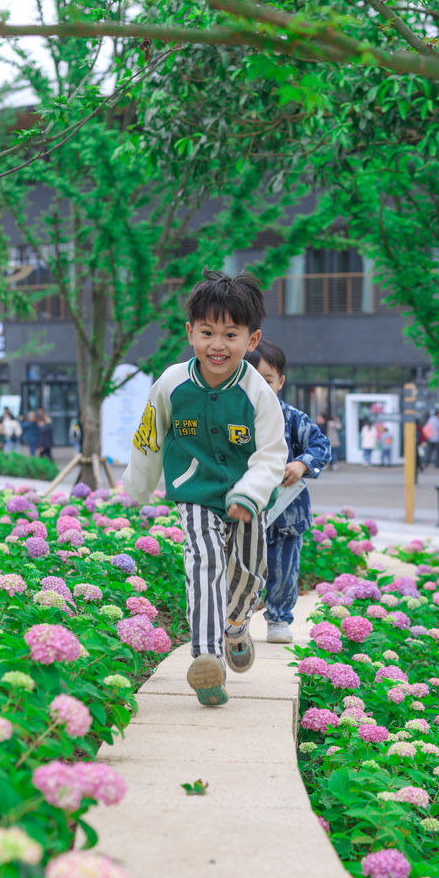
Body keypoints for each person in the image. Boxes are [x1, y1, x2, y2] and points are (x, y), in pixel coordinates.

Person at [123, 269, 287, 707]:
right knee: (205, 561)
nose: (218, 344)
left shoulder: (258, 393)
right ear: (190, 333)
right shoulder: (172, 383)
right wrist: (138, 488)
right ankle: (207, 660)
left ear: (251, 341)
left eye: (230, 334)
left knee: (250, 575)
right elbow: (150, 435)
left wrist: (250, 491)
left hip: (248, 501)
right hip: (193, 492)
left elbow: (272, 453)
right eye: (207, 332)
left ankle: (236, 625)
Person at [246, 340, 331, 644]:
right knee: (244, 568)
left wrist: (302, 464)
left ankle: (279, 618)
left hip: (287, 512)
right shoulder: (232, 419)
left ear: (280, 382)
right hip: (245, 512)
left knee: (284, 569)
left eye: (266, 380)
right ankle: (238, 618)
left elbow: (321, 446)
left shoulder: (293, 417)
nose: (258, 387)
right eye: (250, 380)